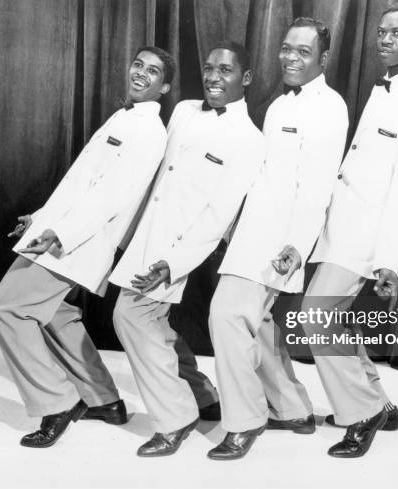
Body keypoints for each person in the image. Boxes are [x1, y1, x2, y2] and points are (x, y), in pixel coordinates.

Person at [0, 47, 183, 448]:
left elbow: (110, 196)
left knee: (6, 309)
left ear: (164, 87)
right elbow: (84, 184)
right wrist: (42, 218)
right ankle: (104, 400)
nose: (141, 73)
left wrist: (59, 234)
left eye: (154, 72)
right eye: (138, 64)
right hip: (64, 233)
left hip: (77, 242)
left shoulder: (147, 130)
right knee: (56, 313)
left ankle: (57, 401)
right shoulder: (125, 117)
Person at [109, 41, 265, 457]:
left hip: (185, 246)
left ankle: (175, 418)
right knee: (152, 322)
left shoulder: (249, 139)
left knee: (131, 315)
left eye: (226, 71)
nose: (214, 77)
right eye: (209, 68)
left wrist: (172, 262)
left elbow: (219, 214)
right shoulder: (182, 111)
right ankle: (202, 395)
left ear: (245, 78)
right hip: (147, 233)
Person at [303, 1, 398, 458]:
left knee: (317, 317)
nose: (385, 40)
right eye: (381, 32)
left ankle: (363, 413)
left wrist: (388, 259)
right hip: (341, 227)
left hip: (367, 238)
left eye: (397, 34)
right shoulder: (384, 88)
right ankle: (380, 402)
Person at [206, 17, 349, 460]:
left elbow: (319, 187)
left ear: (323, 59)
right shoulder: (281, 104)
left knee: (227, 316)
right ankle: (292, 408)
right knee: (260, 325)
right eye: (287, 48)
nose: (290, 57)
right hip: (251, 232)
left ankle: (246, 420)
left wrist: (295, 245)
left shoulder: (330, 107)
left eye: (303, 51)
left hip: (279, 242)